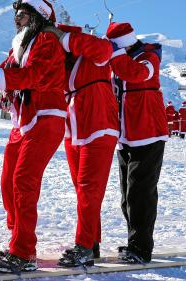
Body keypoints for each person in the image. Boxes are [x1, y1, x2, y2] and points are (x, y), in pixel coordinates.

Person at [0, 0, 67, 273]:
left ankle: (24, 252)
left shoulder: (46, 40)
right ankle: (18, 238)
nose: (16, 20)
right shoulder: (19, 46)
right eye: (15, 15)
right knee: (8, 182)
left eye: (22, 15)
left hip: (46, 117)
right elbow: (1, 72)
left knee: (24, 181)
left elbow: (35, 74)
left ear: (38, 17)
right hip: (24, 122)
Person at [54, 24, 118, 268]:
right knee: (82, 191)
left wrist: (67, 38)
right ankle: (92, 243)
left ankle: (83, 247)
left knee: (89, 189)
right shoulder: (63, 63)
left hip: (99, 125)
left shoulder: (94, 54)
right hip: (75, 130)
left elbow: (105, 49)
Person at [107, 22, 168, 263]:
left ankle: (141, 248)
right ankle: (135, 241)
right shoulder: (120, 61)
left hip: (148, 133)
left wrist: (115, 54)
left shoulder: (148, 56)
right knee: (128, 194)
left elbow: (137, 74)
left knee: (140, 192)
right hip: (126, 136)